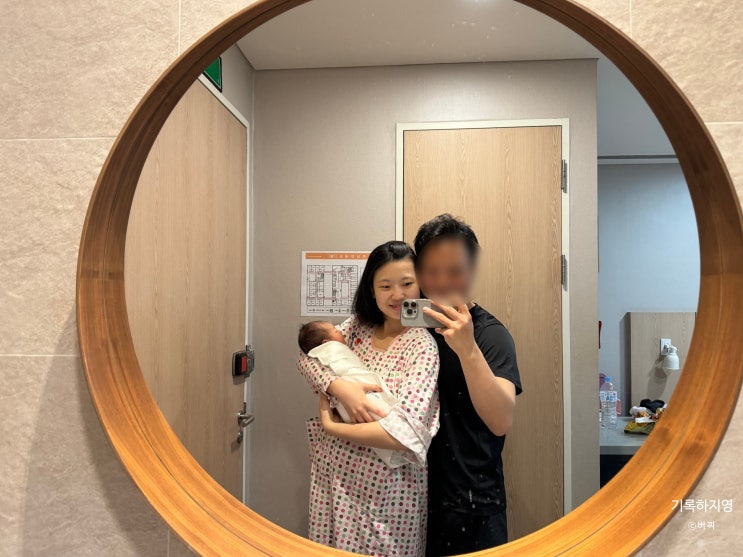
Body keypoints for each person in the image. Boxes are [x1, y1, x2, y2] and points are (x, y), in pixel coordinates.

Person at [297, 241, 440, 557]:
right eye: (385, 286)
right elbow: (307, 357)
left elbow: (404, 434)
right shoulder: (357, 328)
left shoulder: (422, 347)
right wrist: (339, 388)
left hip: (386, 495)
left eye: (406, 283)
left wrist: (333, 427)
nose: (397, 295)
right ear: (371, 291)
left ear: (420, 284)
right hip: (334, 479)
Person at [415, 214, 523, 556]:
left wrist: (467, 348)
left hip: (472, 507)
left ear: (472, 271)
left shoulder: (491, 335)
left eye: (454, 271)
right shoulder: (409, 329)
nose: (441, 282)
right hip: (411, 499)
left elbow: (501, 420)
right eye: (431, 271)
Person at [297, 320, 403, 467]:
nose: (340, 331)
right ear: (326, 343)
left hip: (376, 464)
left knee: (388, 423)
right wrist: (338, 387)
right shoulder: (356, 325)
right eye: (336, 330)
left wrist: (330, 426)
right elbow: (304, 357)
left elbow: (406, 435)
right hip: (339, 454)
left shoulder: (421, 342)